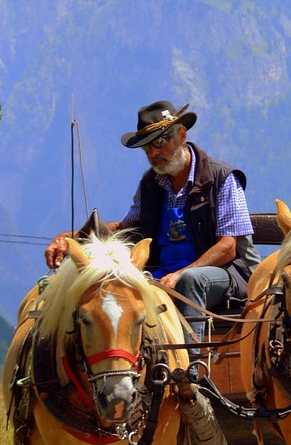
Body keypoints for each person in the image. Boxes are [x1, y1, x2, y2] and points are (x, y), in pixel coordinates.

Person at [45, 100, 260, 370]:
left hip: (226, 274)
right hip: (163, 275)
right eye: (147, 146)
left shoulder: (221, 178)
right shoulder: (151, 184)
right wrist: (72, 237)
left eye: (160, 141)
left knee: (192, 281)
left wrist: (182, 273)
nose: (154, 152)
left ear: (182, 135)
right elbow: (126, 228)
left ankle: (191, 374)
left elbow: (228, 247)